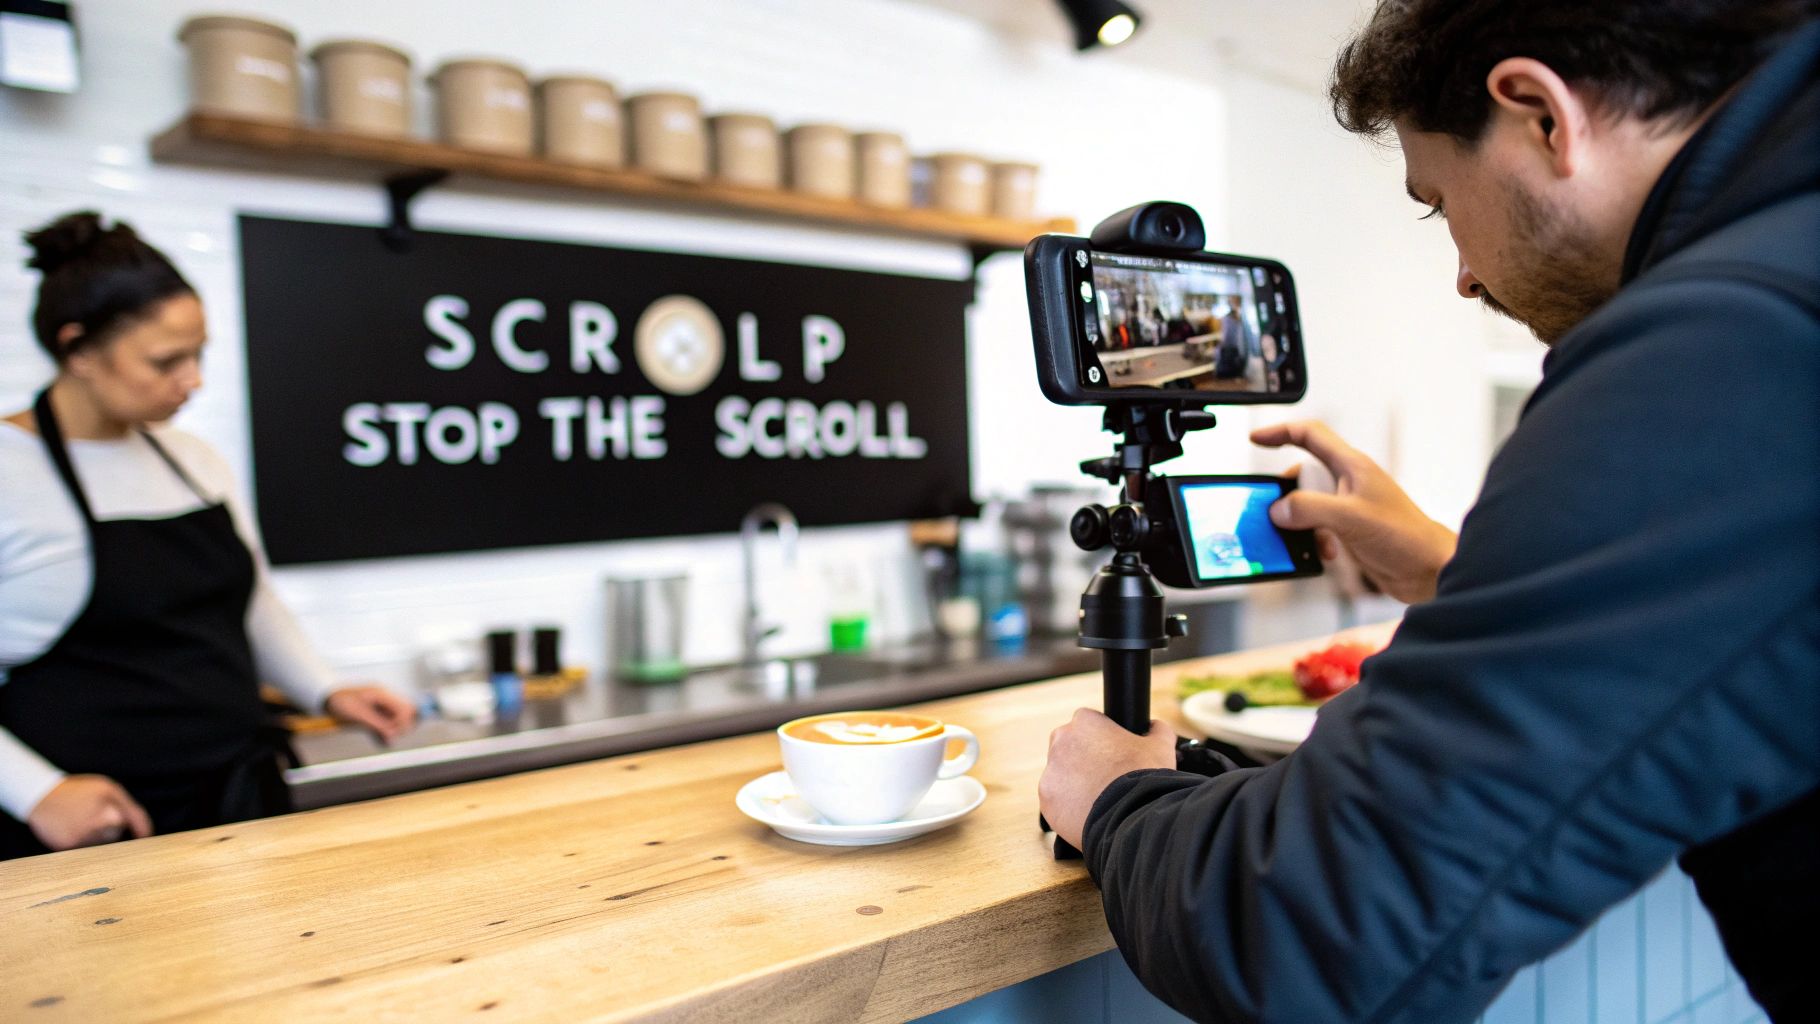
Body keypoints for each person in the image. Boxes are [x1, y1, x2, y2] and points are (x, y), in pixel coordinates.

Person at [1038, 3, 1819, 1022]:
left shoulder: (1714, 348)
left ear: (1539, 112)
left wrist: (1117, 796)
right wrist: (1454, 570)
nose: (1460, 275)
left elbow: (1312, 934)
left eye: (1436, 201)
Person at [0, 212, 418, 859]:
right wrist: (35, 792)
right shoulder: (9, 469)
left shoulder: (192, 460)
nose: (192, 380)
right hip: (96, 832)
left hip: (237, 798)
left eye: (199, 354)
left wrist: (324, 688)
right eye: (166, 361)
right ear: (77, 348)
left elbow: (251, 605)